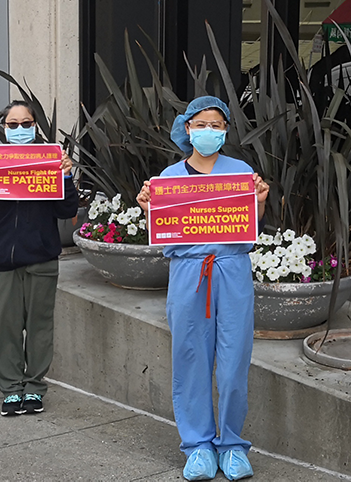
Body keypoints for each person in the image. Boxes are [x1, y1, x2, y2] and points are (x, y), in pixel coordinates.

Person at [136, 96, 269, 481]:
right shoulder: (169, 178)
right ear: (187, 128)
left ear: (225, 131)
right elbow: (164, 227)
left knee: (233, 363)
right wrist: (149, 205)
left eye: (216, 125)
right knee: (190, 359)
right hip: (188, 274)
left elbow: (251, 225)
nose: (208, 131)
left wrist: (259, 200)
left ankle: (230, 445)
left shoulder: (240, 171)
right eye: (201, 124)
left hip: (231, 272)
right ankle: (197, 446)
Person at [0, 100, 78, 416]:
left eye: (25, 124)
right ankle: (11, 388)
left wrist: (66, 178)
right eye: (12, 124)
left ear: (35, 127)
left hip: (41, 257)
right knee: (6, 327)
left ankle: (35, 387)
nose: (19, 129)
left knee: (40, 326)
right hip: (2, 259)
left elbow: (67, 211)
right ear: (4, 128)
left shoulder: (49, 162)